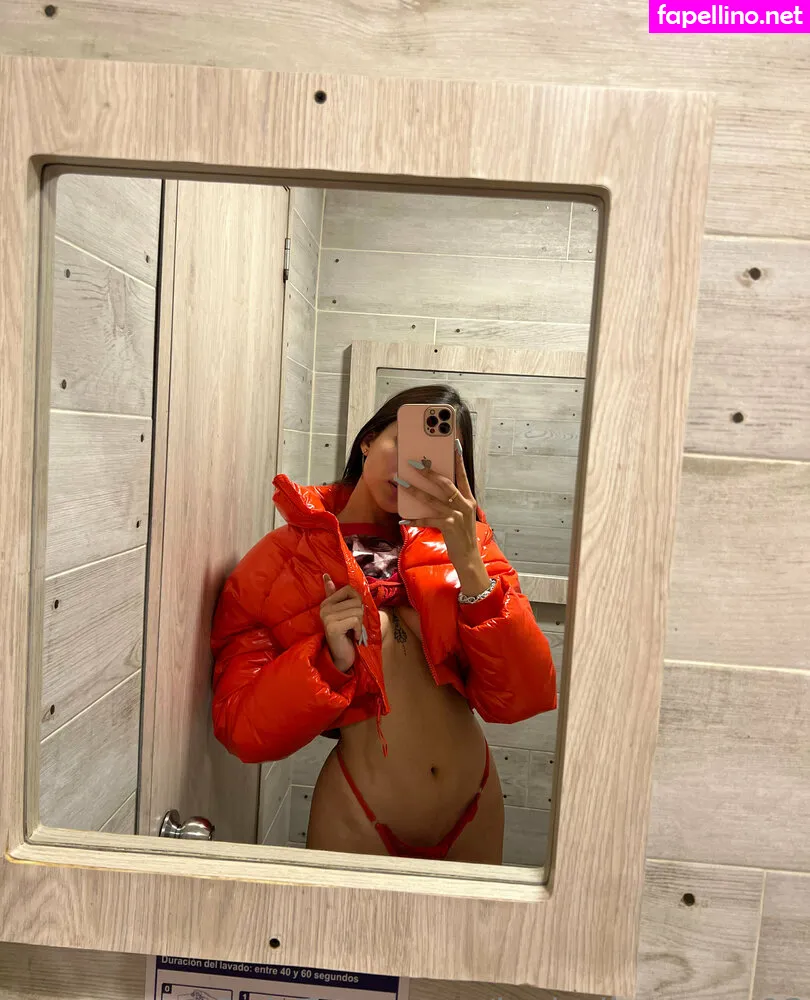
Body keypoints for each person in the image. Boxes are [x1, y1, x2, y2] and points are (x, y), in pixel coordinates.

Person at [210, 385, 557, 864]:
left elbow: (523, 696)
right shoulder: (286, 558)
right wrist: (327, 662)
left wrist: (470, 563)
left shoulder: (471, 548)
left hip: (474, 804)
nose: (414, 464)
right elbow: (240, 725)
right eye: (404, 441)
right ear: (368, 441)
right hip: (359, 814)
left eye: (434, 455)